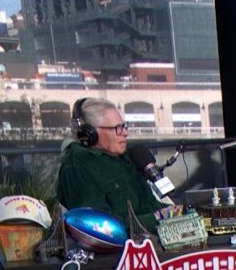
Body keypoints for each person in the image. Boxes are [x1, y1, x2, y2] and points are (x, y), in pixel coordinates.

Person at [57, 97, 164, 233]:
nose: (125, 133)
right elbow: (100, 226)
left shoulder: (124, 158)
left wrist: (178, 212)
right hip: (126, 245)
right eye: (117, 128)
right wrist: (158, 218)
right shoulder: (79, 165)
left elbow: (151, 206)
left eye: (124, 126)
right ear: (90, 133)